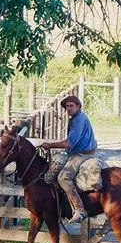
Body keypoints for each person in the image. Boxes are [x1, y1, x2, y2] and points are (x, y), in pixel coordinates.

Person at [39, 95, 99, 223]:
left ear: (78, 106)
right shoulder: (75, 119)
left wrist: (49, 145)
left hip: (82, 154)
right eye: (67, 106)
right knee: (51, 171)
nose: (69, 109)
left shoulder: (79, 121)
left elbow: (68, 143)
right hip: (75, 152)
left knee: (63, 177)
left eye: (71, 106)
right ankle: (61, 206)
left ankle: (80, 209)